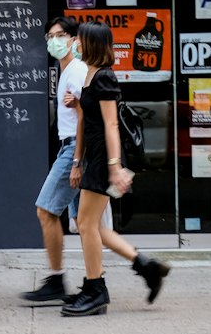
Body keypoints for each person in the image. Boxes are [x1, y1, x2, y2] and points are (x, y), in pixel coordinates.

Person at [62, 20, 170, 317]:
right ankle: (147, 268)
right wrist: (76, 161)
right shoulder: (89, 75)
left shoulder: (105, 78)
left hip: (104, 160)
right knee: (92, 226)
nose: (75, 43)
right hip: (93, 157)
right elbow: (85, 121)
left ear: (91, 44)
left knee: (85, 225)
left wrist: (113, 166)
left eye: (79, 40)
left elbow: (110, 124)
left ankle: (96, 289)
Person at [20, 15, 87, 305]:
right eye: (50, 37)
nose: (54, 41)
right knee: (86, 223)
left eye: (60, 35)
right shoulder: (67, 70)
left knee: (46, 211)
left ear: (73, 39)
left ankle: (58, 280)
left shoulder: (76, 70)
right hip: (71, 149)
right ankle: (142, 267)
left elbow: (94, 113)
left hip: (74, 151)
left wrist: (76, 161)